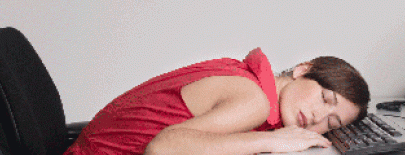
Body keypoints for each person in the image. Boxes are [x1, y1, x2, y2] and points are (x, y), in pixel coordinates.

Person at [64, 47, 370, 155]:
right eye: (324, 99)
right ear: (304, 70)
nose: (317, 117)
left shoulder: (244, 73)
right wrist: (272, 142)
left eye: (331, 124)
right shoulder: (254, 100)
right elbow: (163, 148)